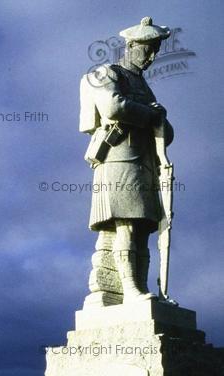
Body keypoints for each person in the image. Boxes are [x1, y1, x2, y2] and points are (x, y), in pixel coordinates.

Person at [80, 17, 172, 301]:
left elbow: (164, 133)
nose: (152, 56)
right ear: (131, 45)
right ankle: (129, 289)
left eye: (156, 49)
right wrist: (150, 115)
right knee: (127, 224)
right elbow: (112, 106)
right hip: (118, 159)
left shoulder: (144, 87)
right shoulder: (106, 73)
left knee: (144, 227)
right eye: (148, 48)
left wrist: (160, 119)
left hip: (144, 162)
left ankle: (141, 288)